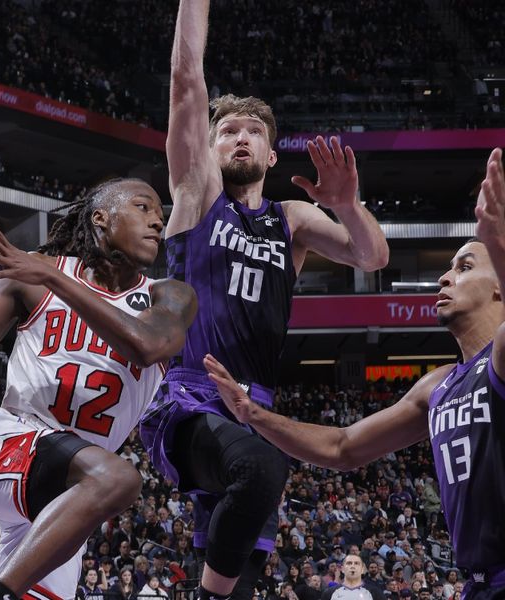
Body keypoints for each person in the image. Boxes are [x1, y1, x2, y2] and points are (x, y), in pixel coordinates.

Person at [139, 2, 388, 600]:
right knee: (258, 469)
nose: (240, 137)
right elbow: (185, 82)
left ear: (272, 155)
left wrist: (348, 204)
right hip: (188, 397)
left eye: (253, 131)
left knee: (241, 569)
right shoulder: (196, 195)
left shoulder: (293, 219)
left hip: (256, 408)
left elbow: (372, 257)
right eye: (227, 130)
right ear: (210, 146)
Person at [206, 149, 505, 600]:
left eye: (464, 267)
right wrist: (254, 415)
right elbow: (343, 448)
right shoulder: (438, 386)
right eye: (447, 268)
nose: (445, 278)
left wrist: (496, 239)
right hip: (478, 585)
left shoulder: (499, 359)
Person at [0, 178, 197, 600]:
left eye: (160, 212)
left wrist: (52, 277)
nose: (158, 220)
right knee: (120, 480)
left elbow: (148, 346)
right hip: (12, 440)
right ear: (100, 218)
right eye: (143, 207)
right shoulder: (35, 276)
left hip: (68, 493)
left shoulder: (170, 296)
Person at [321, 555, 385, 600]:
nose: (352, 566)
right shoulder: (329, 593)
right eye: (349, 563)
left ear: (362, 569)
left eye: (356, 563)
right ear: (342, 569)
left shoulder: (375, 592)